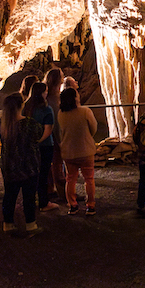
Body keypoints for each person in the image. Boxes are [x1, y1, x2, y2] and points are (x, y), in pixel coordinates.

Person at [0, 92, 45, 235]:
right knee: (29, 197)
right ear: (21, 105)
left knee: (9, 196)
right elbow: (39, 135)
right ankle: (31, 225)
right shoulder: (29, 123)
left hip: (10, 166)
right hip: (28, 165)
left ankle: (8, 224)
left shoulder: (5, 125)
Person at [57, 87, 98, 215]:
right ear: (75, 98)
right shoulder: (85, 111)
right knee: (89, 179)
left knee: (70, 179)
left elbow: (60, 132)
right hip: (85, 150)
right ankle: (90, 206)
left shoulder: (60, 114)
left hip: (68, 152)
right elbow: (94, 128)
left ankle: (72, 206)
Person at [22, 82, 59, 213]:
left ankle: (31, 200)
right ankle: (44, 202)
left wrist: (30, 142)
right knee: (43, 174)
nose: (47, 93)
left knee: (31, 173)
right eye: (45, 91)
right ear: (42, 93)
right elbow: (48, 129)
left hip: (28, 145)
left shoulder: (26, 108)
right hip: (45, 146)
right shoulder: (46, 109)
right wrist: (38, 141)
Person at [44, 68, 66, 203]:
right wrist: (61, 140)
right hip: (55, 138)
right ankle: (64, 194)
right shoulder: (55, 100)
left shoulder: (45, 98)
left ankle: (49, 190)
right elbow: (57, 123)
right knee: (58, 166)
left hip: (46, 139)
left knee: (48, 166)